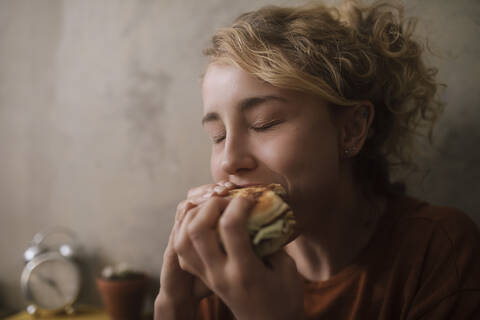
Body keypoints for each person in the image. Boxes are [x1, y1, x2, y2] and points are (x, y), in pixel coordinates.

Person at [154, 1, 480, 319]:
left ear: (352, 129)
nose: (229, 160)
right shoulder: (223, 260)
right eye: (218, 136)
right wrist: (173, 306)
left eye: (263, 123)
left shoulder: (439, 250)